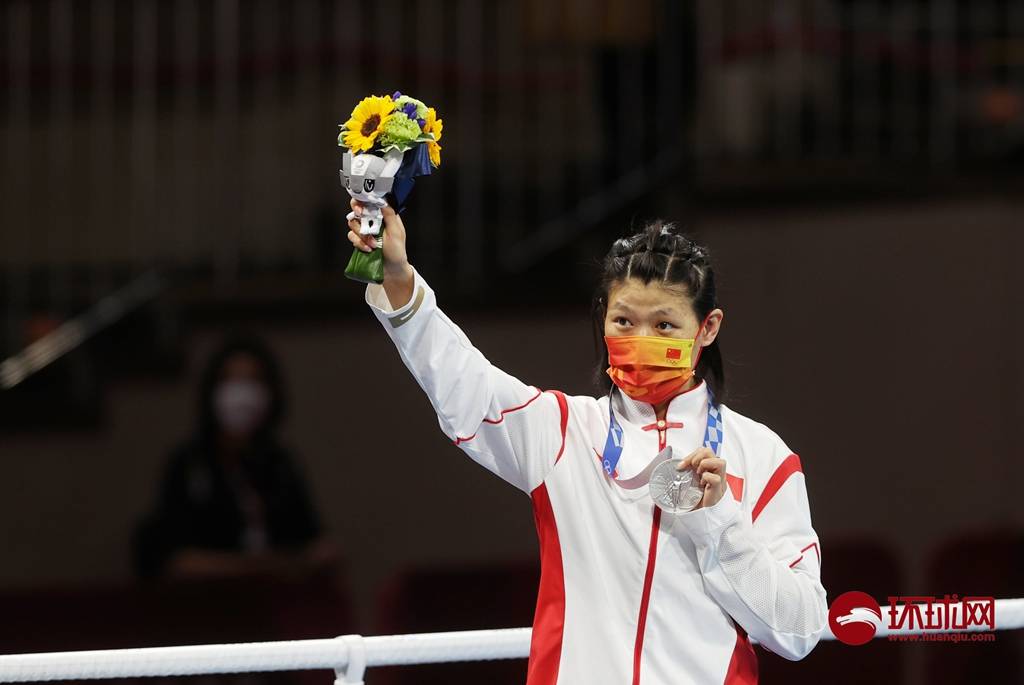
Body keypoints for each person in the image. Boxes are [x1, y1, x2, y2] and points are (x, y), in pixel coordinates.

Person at [346, 202, 827, 684]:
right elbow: (462, 382)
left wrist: (722, 522)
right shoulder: (562, 432)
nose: (641, 339)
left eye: (663, 325)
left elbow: (800, 630)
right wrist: (399, 280)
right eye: (623, 321)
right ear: (603, 319)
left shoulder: (764, 456)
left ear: (708, 328)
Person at [134, 335, 336, 580]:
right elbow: (177, 562)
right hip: (209, 607)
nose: (241, 394)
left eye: (252, 381)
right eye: (230, 380)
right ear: (212, 391)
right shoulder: (187, 465)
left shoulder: (281, 465)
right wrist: (267, 567)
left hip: (278, 608)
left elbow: (315, 548)